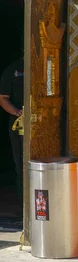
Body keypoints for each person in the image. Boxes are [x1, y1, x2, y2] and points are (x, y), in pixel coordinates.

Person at [0, 58, 24, 205]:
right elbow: (3, 98)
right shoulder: (13, 70)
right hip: (19, 124)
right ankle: (23, 206)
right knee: (21, 164)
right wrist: (17, 112)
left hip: (42, 122)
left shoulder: (45, 66)